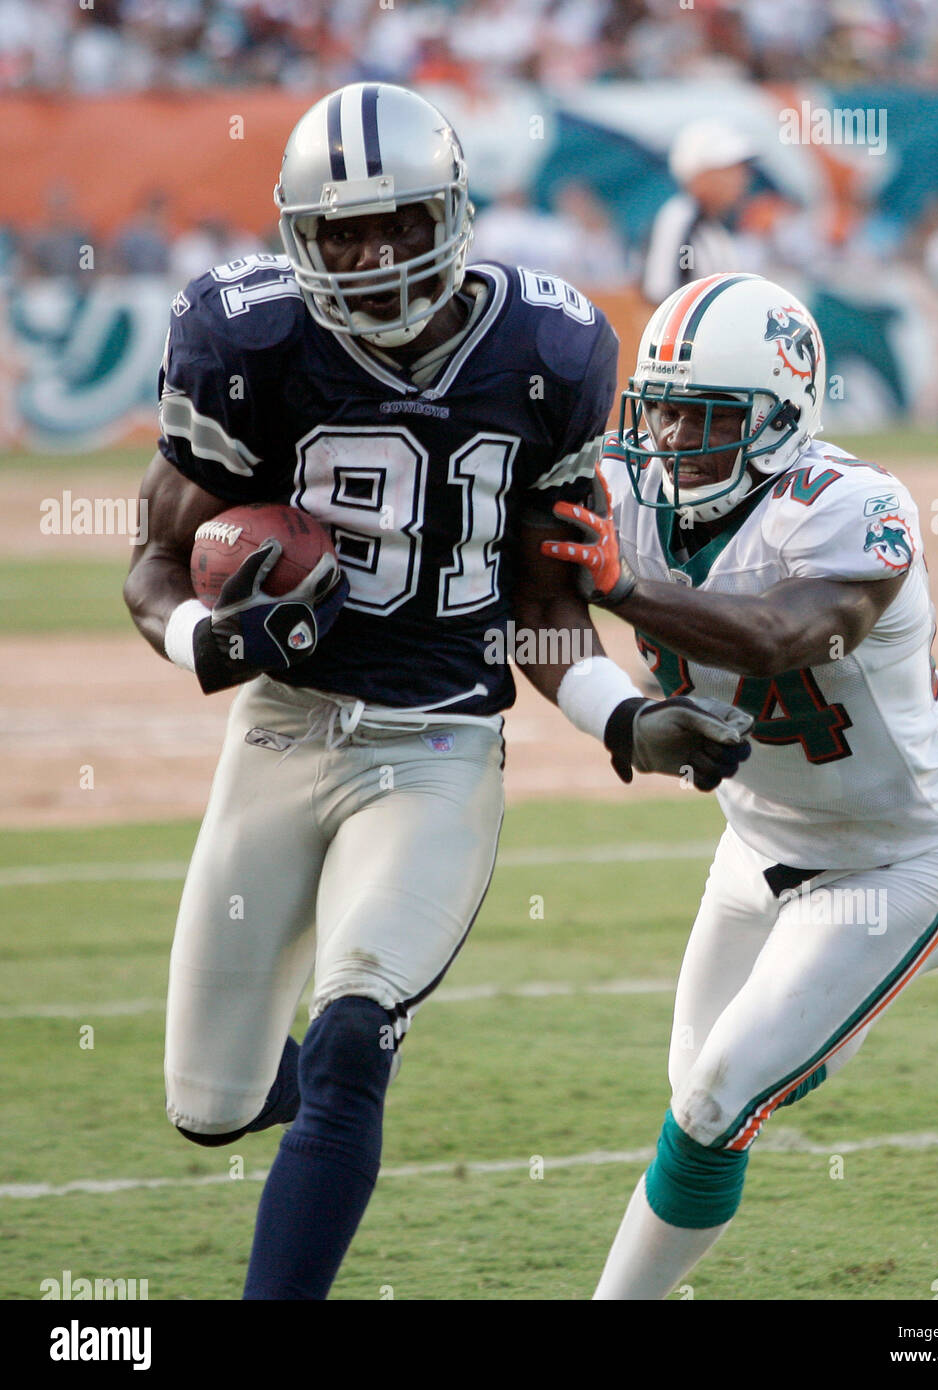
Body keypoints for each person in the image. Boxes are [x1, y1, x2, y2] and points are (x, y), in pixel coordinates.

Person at [123, 83, 752, 1301]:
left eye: (395, 223)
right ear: (299, 235)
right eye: (339, 232)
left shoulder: (550, 350)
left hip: (437, 745)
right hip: (280, 731)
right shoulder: (245, 339)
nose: (367, 256)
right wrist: (206, 637)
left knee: (356, 1034)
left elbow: (543, 598)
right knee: (213, 1105)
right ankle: (265, 1083)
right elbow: (156, 562)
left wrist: (622, 716)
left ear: (450, 214)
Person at [542, 271, 938, 1300]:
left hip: (896, 849)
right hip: (753, 837)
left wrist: (629, 590)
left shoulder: (852, 509)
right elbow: (540, 587)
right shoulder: (628, 488)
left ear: (780, 420)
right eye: (659, 414)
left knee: (712, 1106)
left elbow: (784, 636)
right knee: (705, 1076)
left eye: (704, 419)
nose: (670, 444)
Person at [641, 120, 762, 306]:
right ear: (699, 174)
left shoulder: (713, 228)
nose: (741, 180)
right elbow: (662, 294)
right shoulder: (680, 220)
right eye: (728, 171)